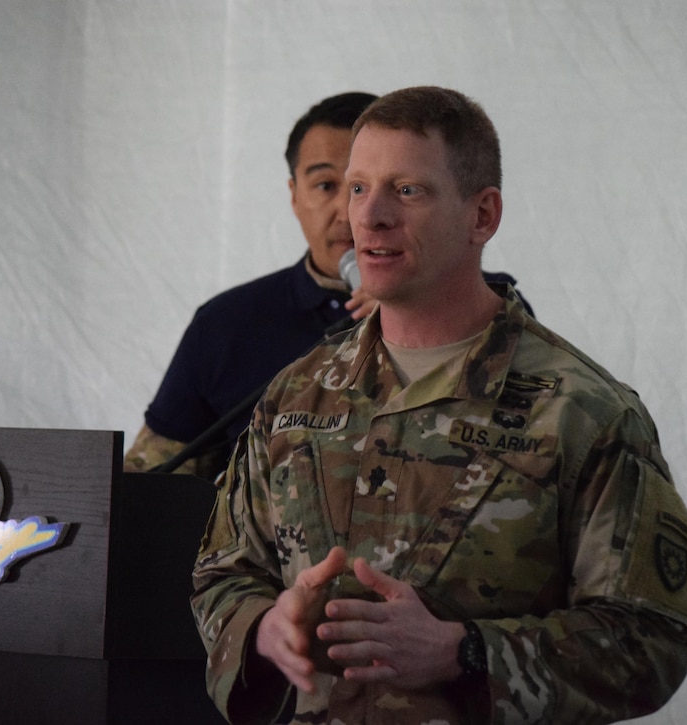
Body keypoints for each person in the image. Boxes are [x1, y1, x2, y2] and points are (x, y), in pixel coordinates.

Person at [191, 86, 687, 724]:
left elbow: (652, 640)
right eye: (357, 188)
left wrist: (463, 654)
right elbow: (222, 574)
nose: (370, 216)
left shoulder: (584, 414)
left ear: (482, 216)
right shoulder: (295, 395)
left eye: (408, 190)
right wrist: (265, 629)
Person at [124, 91, 529, 478]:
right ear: (294, 196)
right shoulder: (228, 323)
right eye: (331, 186)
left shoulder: (489, 305)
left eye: (402, 188)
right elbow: (152, 478)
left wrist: (417, 311)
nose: (359, 212)